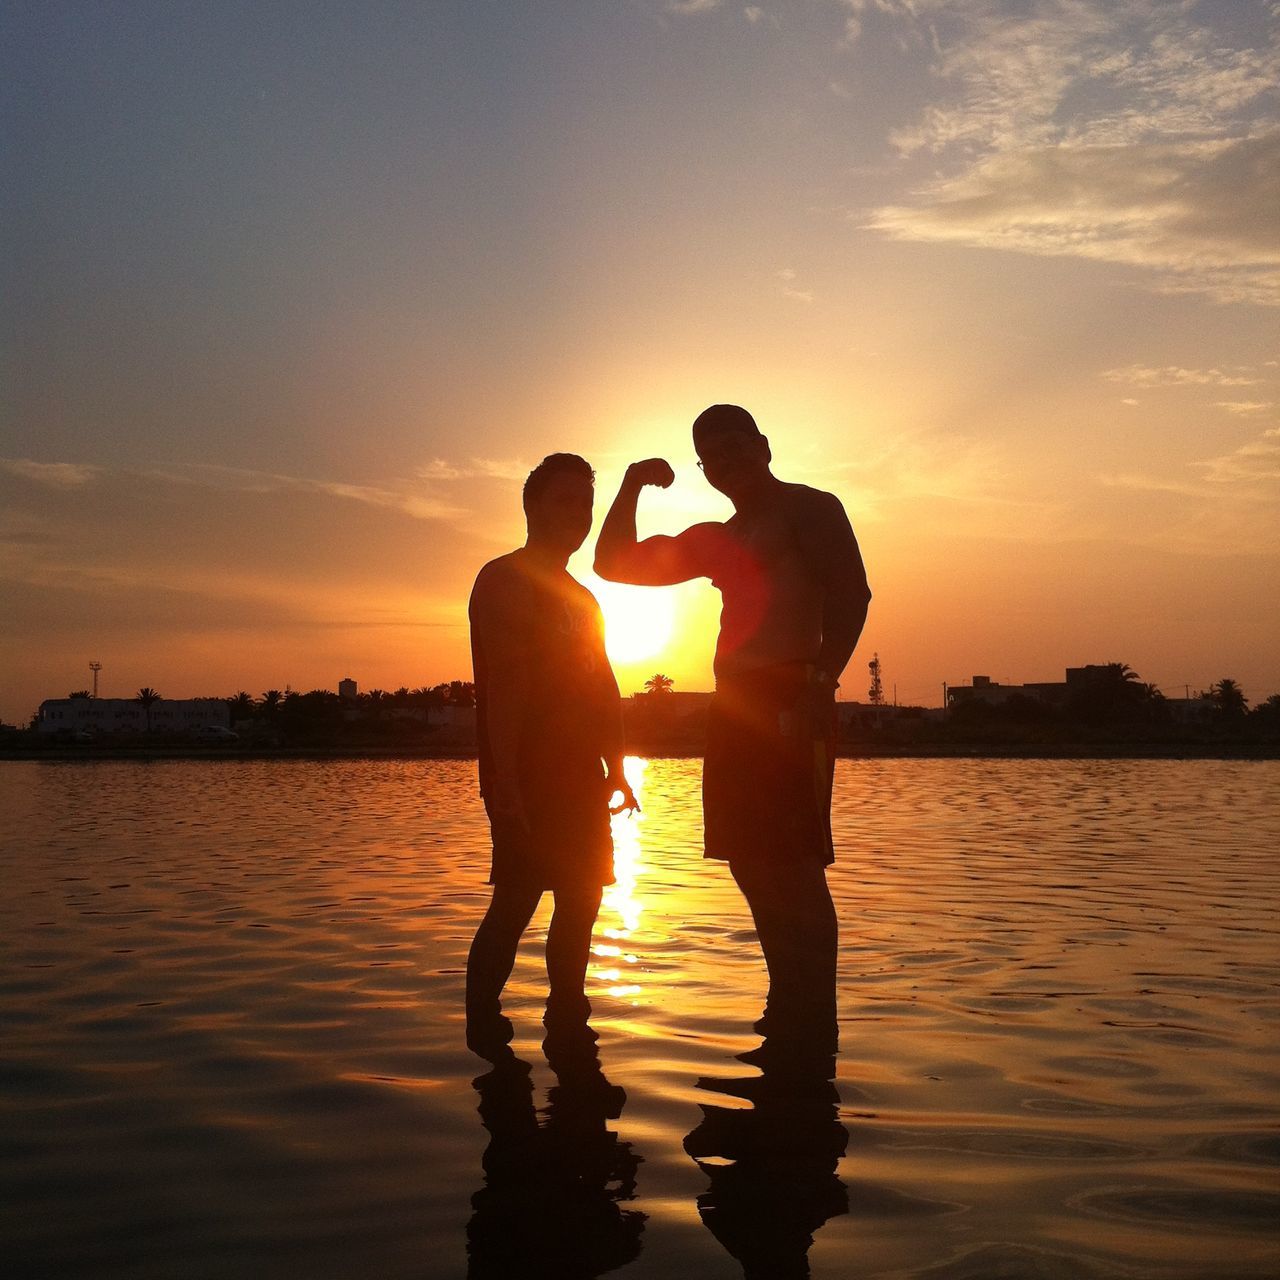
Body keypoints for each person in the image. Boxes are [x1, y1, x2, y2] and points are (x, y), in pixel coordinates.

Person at [595, 405, 871, 1029]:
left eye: (735, 449)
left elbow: (853, 593)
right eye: (712, 457)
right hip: (736, 706)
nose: (726, 464)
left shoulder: (810, 508)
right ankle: (786, 999)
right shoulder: (719, 539)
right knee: (748, 858)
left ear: (763, 446)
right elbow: (613, 564)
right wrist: (632, 483)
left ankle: (815, 1011)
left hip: (793, 693)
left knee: (795, 861)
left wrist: (822, 683)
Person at [466, 453, 637, 1051]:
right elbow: (507, 684)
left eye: (583, 503)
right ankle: (484, 1029)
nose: (577, 514)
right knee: (516, 899)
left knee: (584, 896)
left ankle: (568, 1017)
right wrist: (505, 782)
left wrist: (617, 766)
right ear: (531, 506)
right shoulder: (505, 579)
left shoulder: (583, 598)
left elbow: (605, 684)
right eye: (563, 500)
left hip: (580, 774)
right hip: (527, 771)